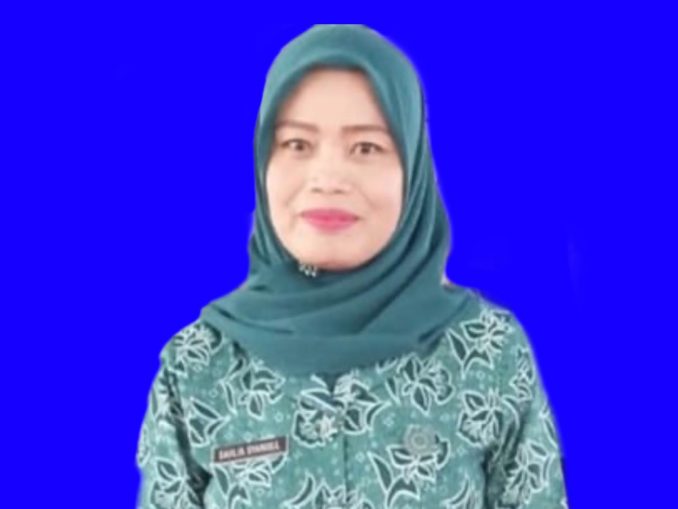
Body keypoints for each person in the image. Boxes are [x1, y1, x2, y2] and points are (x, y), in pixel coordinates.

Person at [135, 24, 569, 508]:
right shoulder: (197, 365)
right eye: (297, 144)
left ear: (413, 170)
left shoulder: (488, 353)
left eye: (366, 147)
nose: (328, 178)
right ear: (263, 163)